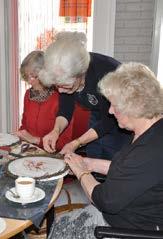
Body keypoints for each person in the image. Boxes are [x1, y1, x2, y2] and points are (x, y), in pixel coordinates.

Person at [49, 63, 163, 238]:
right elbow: (128, 171)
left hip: (127, 229)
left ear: (134, 107)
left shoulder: (150, 150)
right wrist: (90, 163)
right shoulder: (150, 131)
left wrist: (81, 172)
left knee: (58, 232)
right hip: (124, 215)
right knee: (59, 223)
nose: (109, 111)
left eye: (114, 106)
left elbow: (105, 200)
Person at [40, 31, 130, 159]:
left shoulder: (106, 73)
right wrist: (55, 131)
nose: (60, 91)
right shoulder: (65, 75)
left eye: (65, 86)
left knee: (114, 164)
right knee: (93, 155)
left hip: (121, 121)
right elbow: (65, 110)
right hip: (98, 114)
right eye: (57, 86)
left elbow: (108, 121)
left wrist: (77, 143)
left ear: (80, 74)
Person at [15, 50, 89, 151]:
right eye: (26, 76)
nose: (29, 81)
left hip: (52, 156)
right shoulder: (28, 94)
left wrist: (36, 140)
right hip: (30, 152)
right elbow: (24, 127)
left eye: (33, 76)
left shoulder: (62, 97)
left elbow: (64, 144)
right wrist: (18, 136)